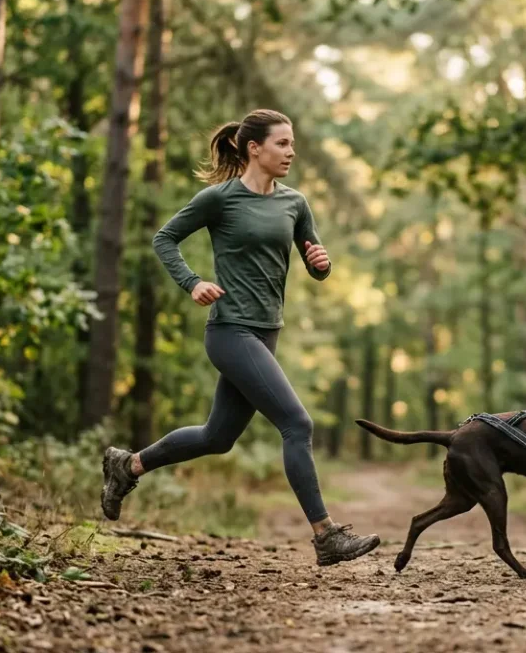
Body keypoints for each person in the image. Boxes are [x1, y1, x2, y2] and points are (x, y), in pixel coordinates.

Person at [99, 109, 380, 567]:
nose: (291, 152)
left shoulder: (295, 203)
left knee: (217, 437)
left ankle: (127, 466)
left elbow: (315, 264)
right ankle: (326, 536)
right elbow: (164, 239)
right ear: (255, 148)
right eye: (282, 144)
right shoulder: (219, 199)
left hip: (267, 332)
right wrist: (192, 282)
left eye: (292, 144)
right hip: (230, 330)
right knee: (298, 424)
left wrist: (322, 264)